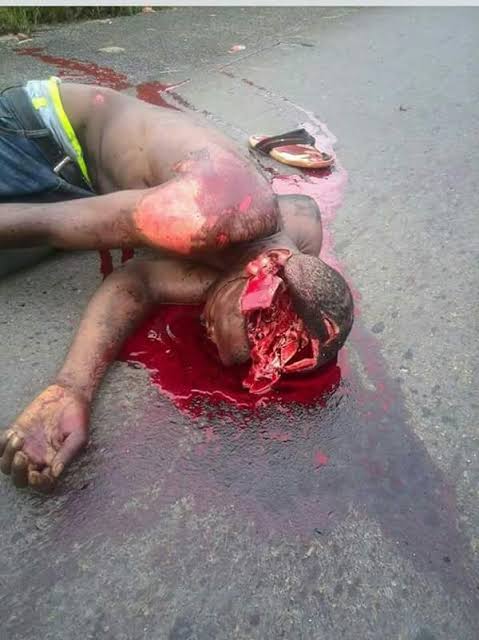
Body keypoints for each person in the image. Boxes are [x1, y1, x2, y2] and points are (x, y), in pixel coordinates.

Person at [0, 77, 354, 492]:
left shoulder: (291, 246)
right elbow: (49, 227)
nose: (218, 348)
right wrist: (69, 384)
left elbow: (140, 282)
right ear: (263, 271)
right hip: (41, 134)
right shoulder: (199, 218)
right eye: (229, 333)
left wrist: (72, 391)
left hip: (83, 185)